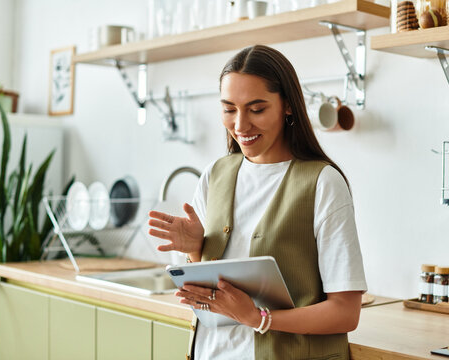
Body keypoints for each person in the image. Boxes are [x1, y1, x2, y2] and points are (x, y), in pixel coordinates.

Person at [148, 44, 367, 360]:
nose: (240, 125)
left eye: (257, 109)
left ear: (288, 106)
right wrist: (196, 249)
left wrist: (258, 319)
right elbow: (212, 299)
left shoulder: (322, 183)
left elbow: (346, 312)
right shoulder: (216, 174)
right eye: (229, 109)